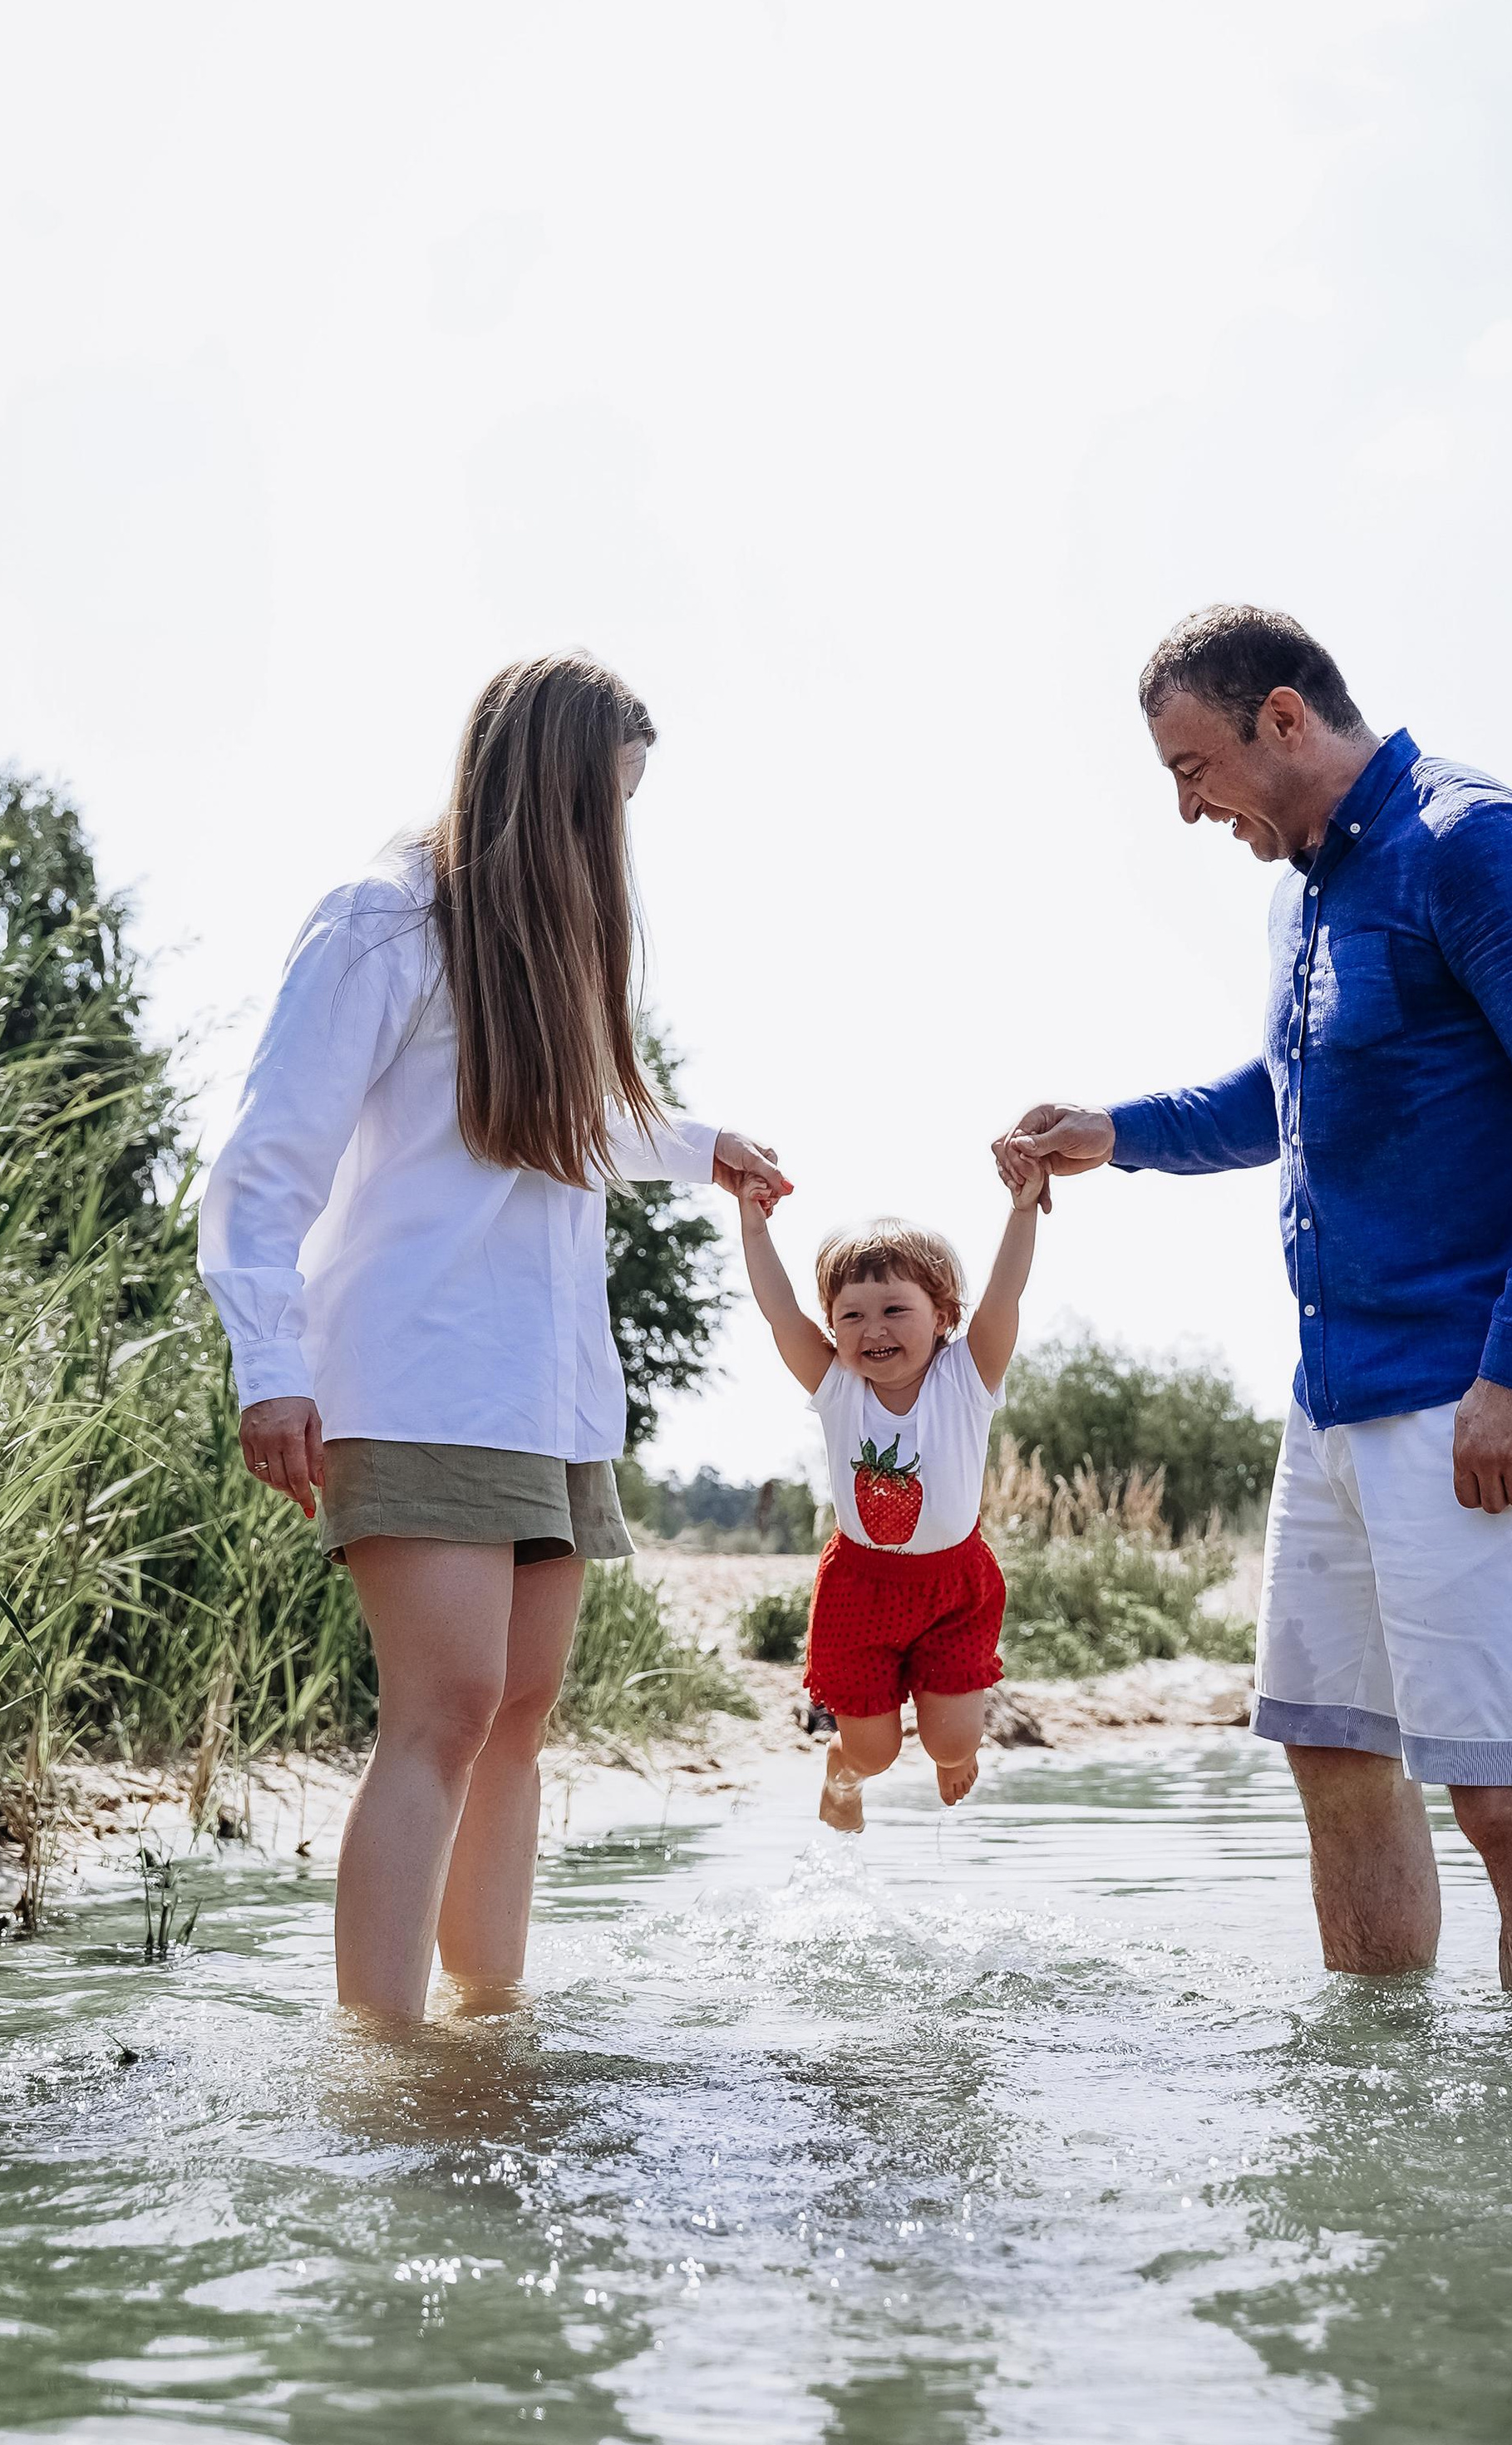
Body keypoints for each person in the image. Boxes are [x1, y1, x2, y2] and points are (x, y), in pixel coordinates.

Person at [996, 605, 1512, 1995]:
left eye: (1194, 767)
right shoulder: (1303, 893)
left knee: (1508, 1792)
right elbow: (1286, 1098)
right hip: (1340, 1395)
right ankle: (1381, 2123)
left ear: (1285, 718)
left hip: (1489, 1382)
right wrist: (1113, 1130)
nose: (1187, 807)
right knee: (1337, 1751)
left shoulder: (1477, 843)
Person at [199, 653, 787, 2020]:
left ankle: (487, 2028)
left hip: (549, 1389)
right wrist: (268, 1367)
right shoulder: (382, 922)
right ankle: (383, 2060)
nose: (614, 836)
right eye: (606, 798)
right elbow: (263, 1163)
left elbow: (562, 1116)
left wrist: (701, 1146)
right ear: (543, 783)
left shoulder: (544, 947)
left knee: (518, 1714)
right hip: (417, 1371)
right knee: (447, 1708)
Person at [736, 1171, 1046, 1831]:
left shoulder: (966, 1377)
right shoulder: (836, 1385)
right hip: (861, 1589)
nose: (872, 1329)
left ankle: (947, 1751)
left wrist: (1022, 1210)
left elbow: (1005, 1296)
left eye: (894, 1310)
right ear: (836, 1328)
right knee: (874, 1753)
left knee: (955, 1743)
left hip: (954, 1586)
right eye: (852, 1315)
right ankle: (841, 1769)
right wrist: (754, 1225)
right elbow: (779, 1313)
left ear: (942, 1317)